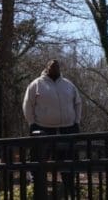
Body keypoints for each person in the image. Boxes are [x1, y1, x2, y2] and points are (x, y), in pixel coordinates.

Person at [22, 60, 82, 197]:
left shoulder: (68, 85)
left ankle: (70, 190)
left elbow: (78, 103)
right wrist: (32, 123)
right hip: (43, 128)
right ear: (46, 68)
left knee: (68, 161)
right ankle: (38, 190)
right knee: (39, 161)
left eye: (57, 66)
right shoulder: (36, 84)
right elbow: (27, 104)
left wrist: (76, 122)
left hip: (67, 128)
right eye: (51, 66)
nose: (54, 69)